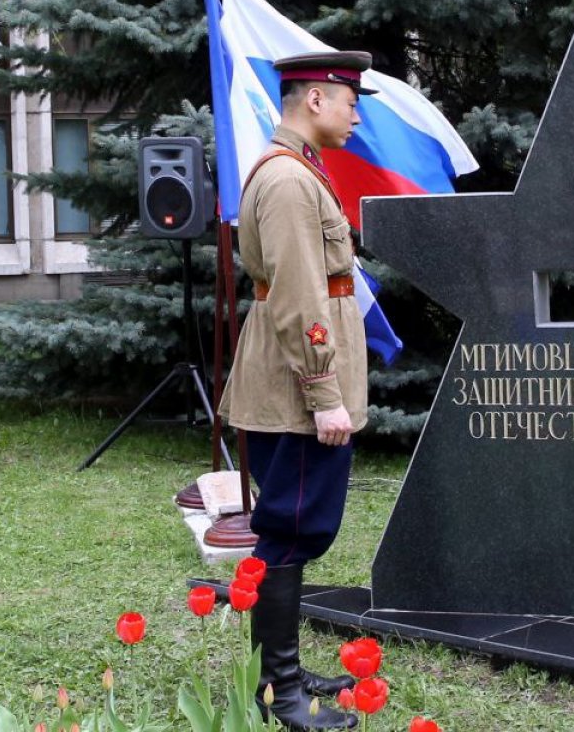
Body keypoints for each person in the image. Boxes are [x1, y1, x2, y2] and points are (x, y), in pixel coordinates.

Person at [219, 50, 376, 731]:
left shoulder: (298, 171)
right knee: (289, 528)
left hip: (294, 381)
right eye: (348, 100)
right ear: (315, 100)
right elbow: (298, 296)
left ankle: (276, 671)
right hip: (296, 387)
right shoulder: (287, 181)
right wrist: (324, 391)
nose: (355, 112)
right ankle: (278, 692)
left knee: (292, 527)